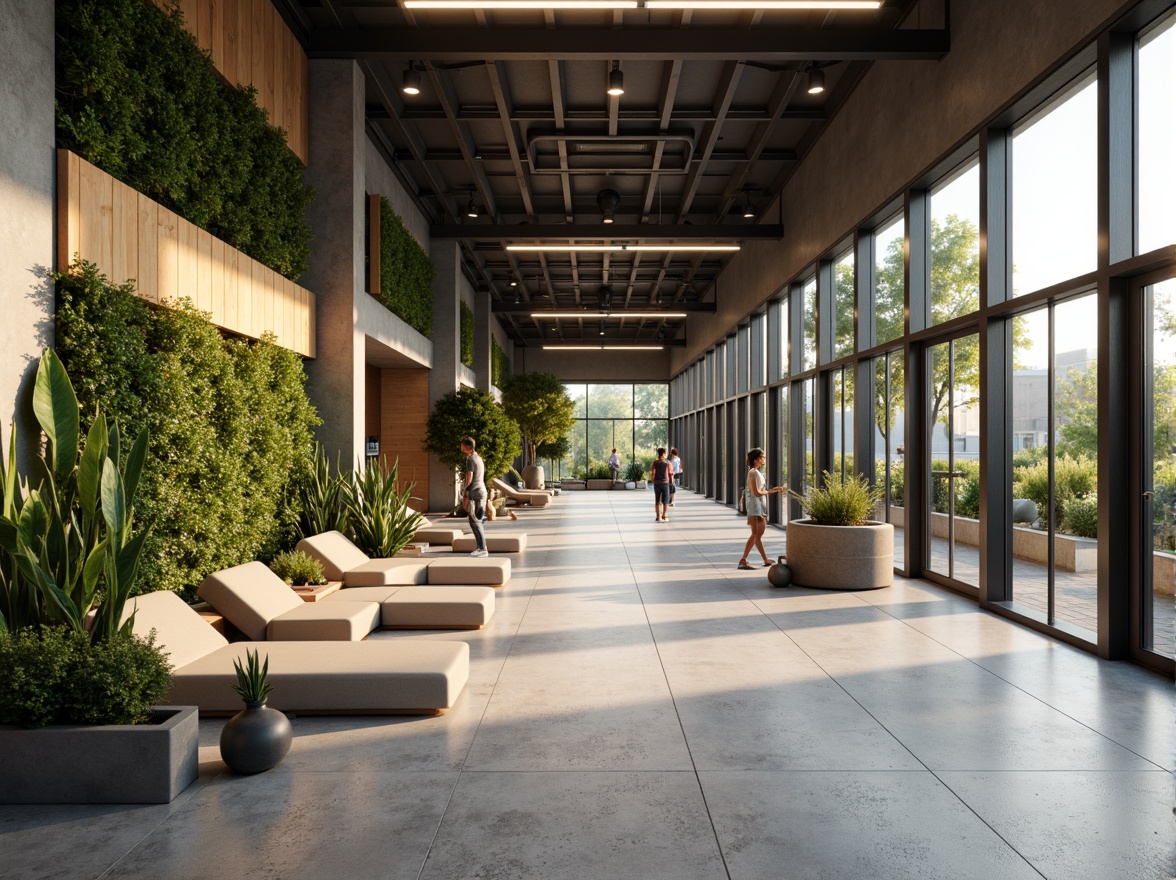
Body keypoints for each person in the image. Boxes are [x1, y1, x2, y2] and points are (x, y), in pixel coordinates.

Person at [739, 447, 784, 569]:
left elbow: (760, 491)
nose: (764, 459)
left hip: (759, 506)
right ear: (756, 460)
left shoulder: (757, 472)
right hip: (755, 507)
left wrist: (772, 490)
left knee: (756, 535)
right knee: (756, 534)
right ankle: (746, 560)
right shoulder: (753, 473)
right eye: (762, 457)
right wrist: (770, 492)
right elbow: (756, 492)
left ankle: (759, 559)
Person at [460, 436, 489, 557]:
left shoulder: (470, 460)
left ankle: (482, 549)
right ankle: (480, 548)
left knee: (474, 521)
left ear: (467, 447)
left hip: (475, 493)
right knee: (478, 520)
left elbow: (469, 479)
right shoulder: (479, 458)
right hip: (482, 491)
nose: (460, 447)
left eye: (461, 445)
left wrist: (465, 494)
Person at [650, 447, 672, 522]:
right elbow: (670, 473)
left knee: (657, 500)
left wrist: (653, 479)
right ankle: (664, 515)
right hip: (665, 483)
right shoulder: (667, 463)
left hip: (657, 483)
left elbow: (653, 472)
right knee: (665, 500)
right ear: (663, 454)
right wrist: (671, 482)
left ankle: (658, 516)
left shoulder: (655, 462)